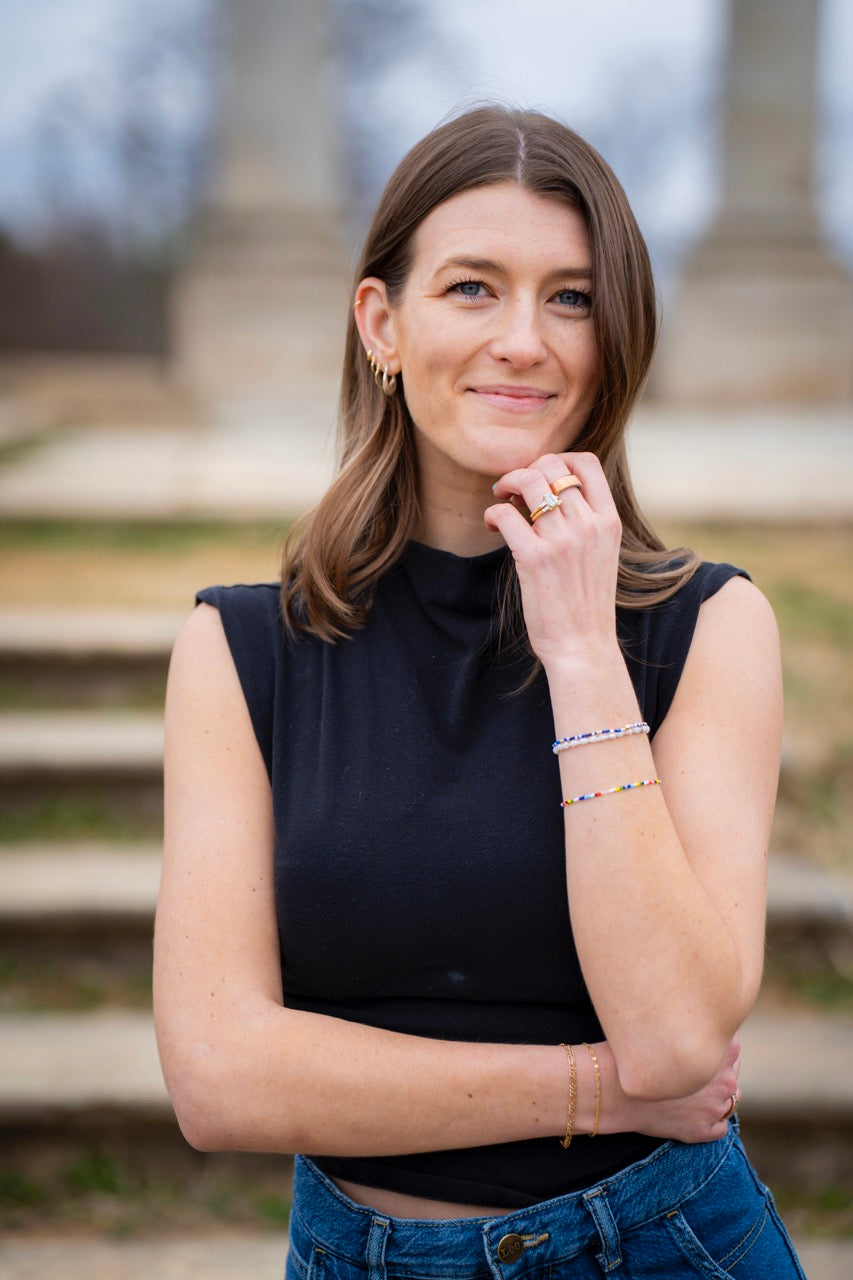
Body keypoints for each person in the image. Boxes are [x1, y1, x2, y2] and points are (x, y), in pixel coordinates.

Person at [154, 106, 805, 1278]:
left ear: (615, 335)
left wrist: (582, 647)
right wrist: (592, 1088)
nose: (523, 340)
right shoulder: (241, 649)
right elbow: (217, 1076)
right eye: (471, 288)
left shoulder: (712, 626)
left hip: (658, 1247)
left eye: (571, 297)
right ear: (381, 322)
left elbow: (673, 1036)